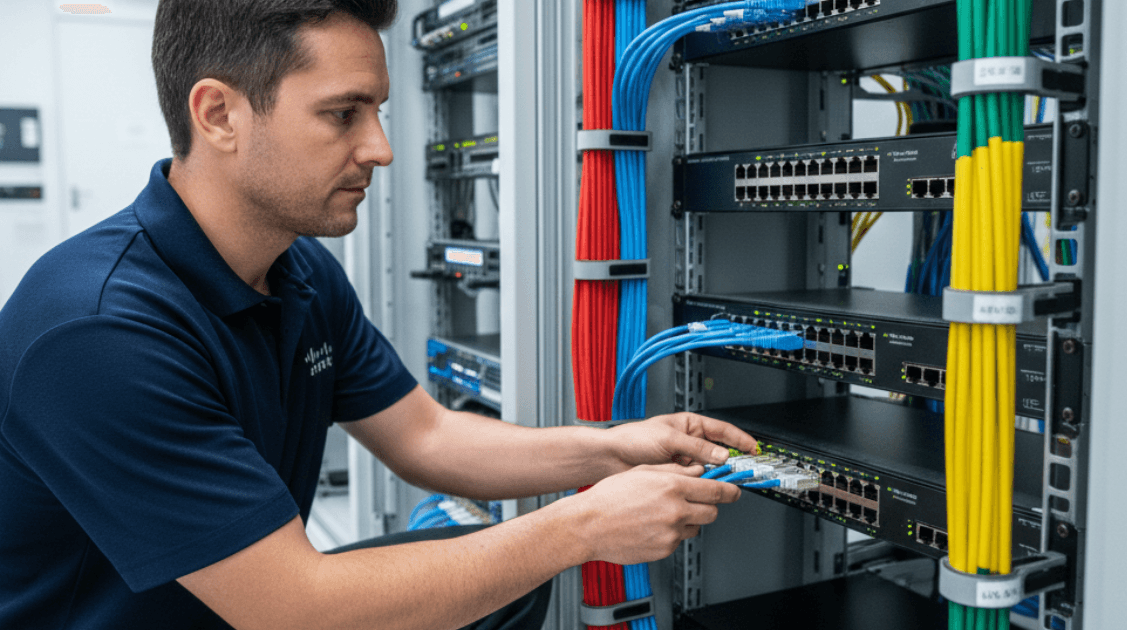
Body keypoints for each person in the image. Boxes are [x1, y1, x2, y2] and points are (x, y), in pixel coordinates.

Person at [0, 1, 757, 628]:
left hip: (242, 604)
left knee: (503, 584)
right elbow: (289, 607)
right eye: (343, 114)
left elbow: (425, 436)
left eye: (379, 111)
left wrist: (615, 449)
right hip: (232, 610)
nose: (382, 148)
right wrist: (581, 526)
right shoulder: (98, 330)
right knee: (516, 563)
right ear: (219, 114)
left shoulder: (299, 274)